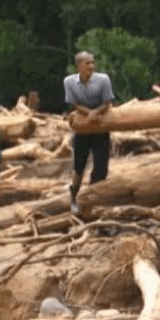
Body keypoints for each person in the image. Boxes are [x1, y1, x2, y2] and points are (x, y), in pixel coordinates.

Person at [63, 51, 114, 215]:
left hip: (100, 129)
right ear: (79, 66)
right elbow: (74, 104)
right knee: (78, 166)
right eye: (87, 63)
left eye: (93, 63)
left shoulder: (103, 80)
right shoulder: (69, 82)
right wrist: (89, 113)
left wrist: (96, 112)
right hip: (83, 130)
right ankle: (74, 195)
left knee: (101, 166)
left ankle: (94, 199)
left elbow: (107, 103)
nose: (91, 66)